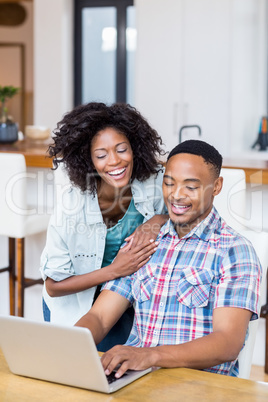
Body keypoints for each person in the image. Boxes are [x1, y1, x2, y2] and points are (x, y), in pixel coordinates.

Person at [75, 139, 262, 377]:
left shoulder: (234, 251)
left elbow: (227, 343)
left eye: (191, 187)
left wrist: (149, 355)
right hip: (134, 379)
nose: (176, 195)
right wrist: (71, 348)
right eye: (169, 183)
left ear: (216, 187)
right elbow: (99, 318)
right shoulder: (144, 242)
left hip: (198, 386)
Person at [40, 102, 168, 351]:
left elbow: (185, 215)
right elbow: (53, 286)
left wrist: (156, 220)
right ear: (88, 160)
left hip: (125, 302)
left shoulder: (154, 182)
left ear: (135, 148)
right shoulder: (71, 205)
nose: (115, 161)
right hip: (78, 307)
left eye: (122, 149)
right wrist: (115, 270)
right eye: (101, 155)